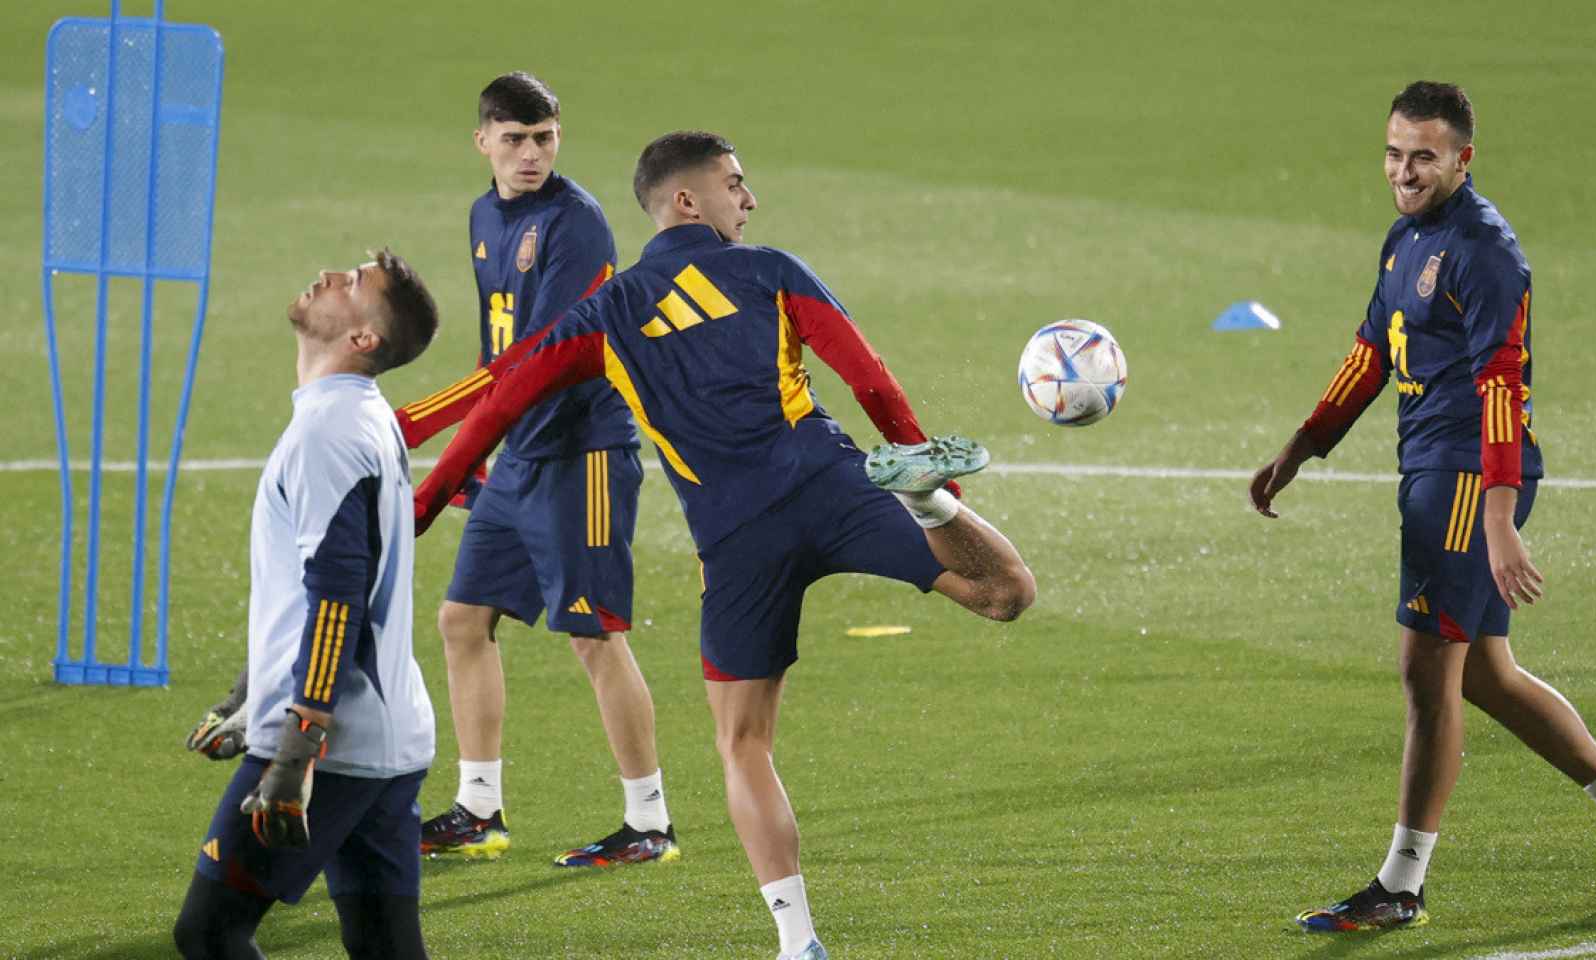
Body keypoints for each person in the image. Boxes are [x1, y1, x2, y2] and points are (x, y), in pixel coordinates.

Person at [411, 130, 1037, 960]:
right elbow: (871, 377)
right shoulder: (772, 269)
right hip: (836, 486)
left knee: (743, 744)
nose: (749, 200)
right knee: (1005, 594)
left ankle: (797, 942)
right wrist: (919, 457)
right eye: (735, 184)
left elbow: (498, 403)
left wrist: (425, 498)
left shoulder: (603, 315)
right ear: (687, 200)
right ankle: (926, 501)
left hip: (736, 543)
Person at [1250, 81, 1596, 932]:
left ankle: (1401, 885)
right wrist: (1303, 444)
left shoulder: (1486, 252)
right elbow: (1371, 350)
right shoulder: (1407, 236)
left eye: (1423, 156)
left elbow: (1502, 382)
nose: (1405, 172)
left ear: (1462, 159)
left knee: (1426, 676)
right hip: (1432, 470)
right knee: (1485, 675)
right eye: (1393, 154)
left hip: (1464, 477)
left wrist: (1495, 519)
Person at [393, 71, 677, 867]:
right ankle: (479, 808)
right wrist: (481, 458)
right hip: (520, 451)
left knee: (592, 634)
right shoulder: (486, 214)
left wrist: (423, 420)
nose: (530, 153)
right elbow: (497, 352)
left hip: (583, 451)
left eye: (544, 137)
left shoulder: (577, 223)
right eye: (514, 139)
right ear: (482, 140)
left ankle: (649, 823)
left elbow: (534, 357)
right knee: (462, 619)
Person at [172, 251, 440, 959]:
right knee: (386, 948)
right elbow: (314, 588)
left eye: (352, 284)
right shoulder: (357, 416)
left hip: (334, 748)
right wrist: (248, 690)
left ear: (363, 339)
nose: (327, 275)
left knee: (209, 932)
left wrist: (296, 745)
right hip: (388, 737)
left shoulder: (328, 433)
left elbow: (337, 598)